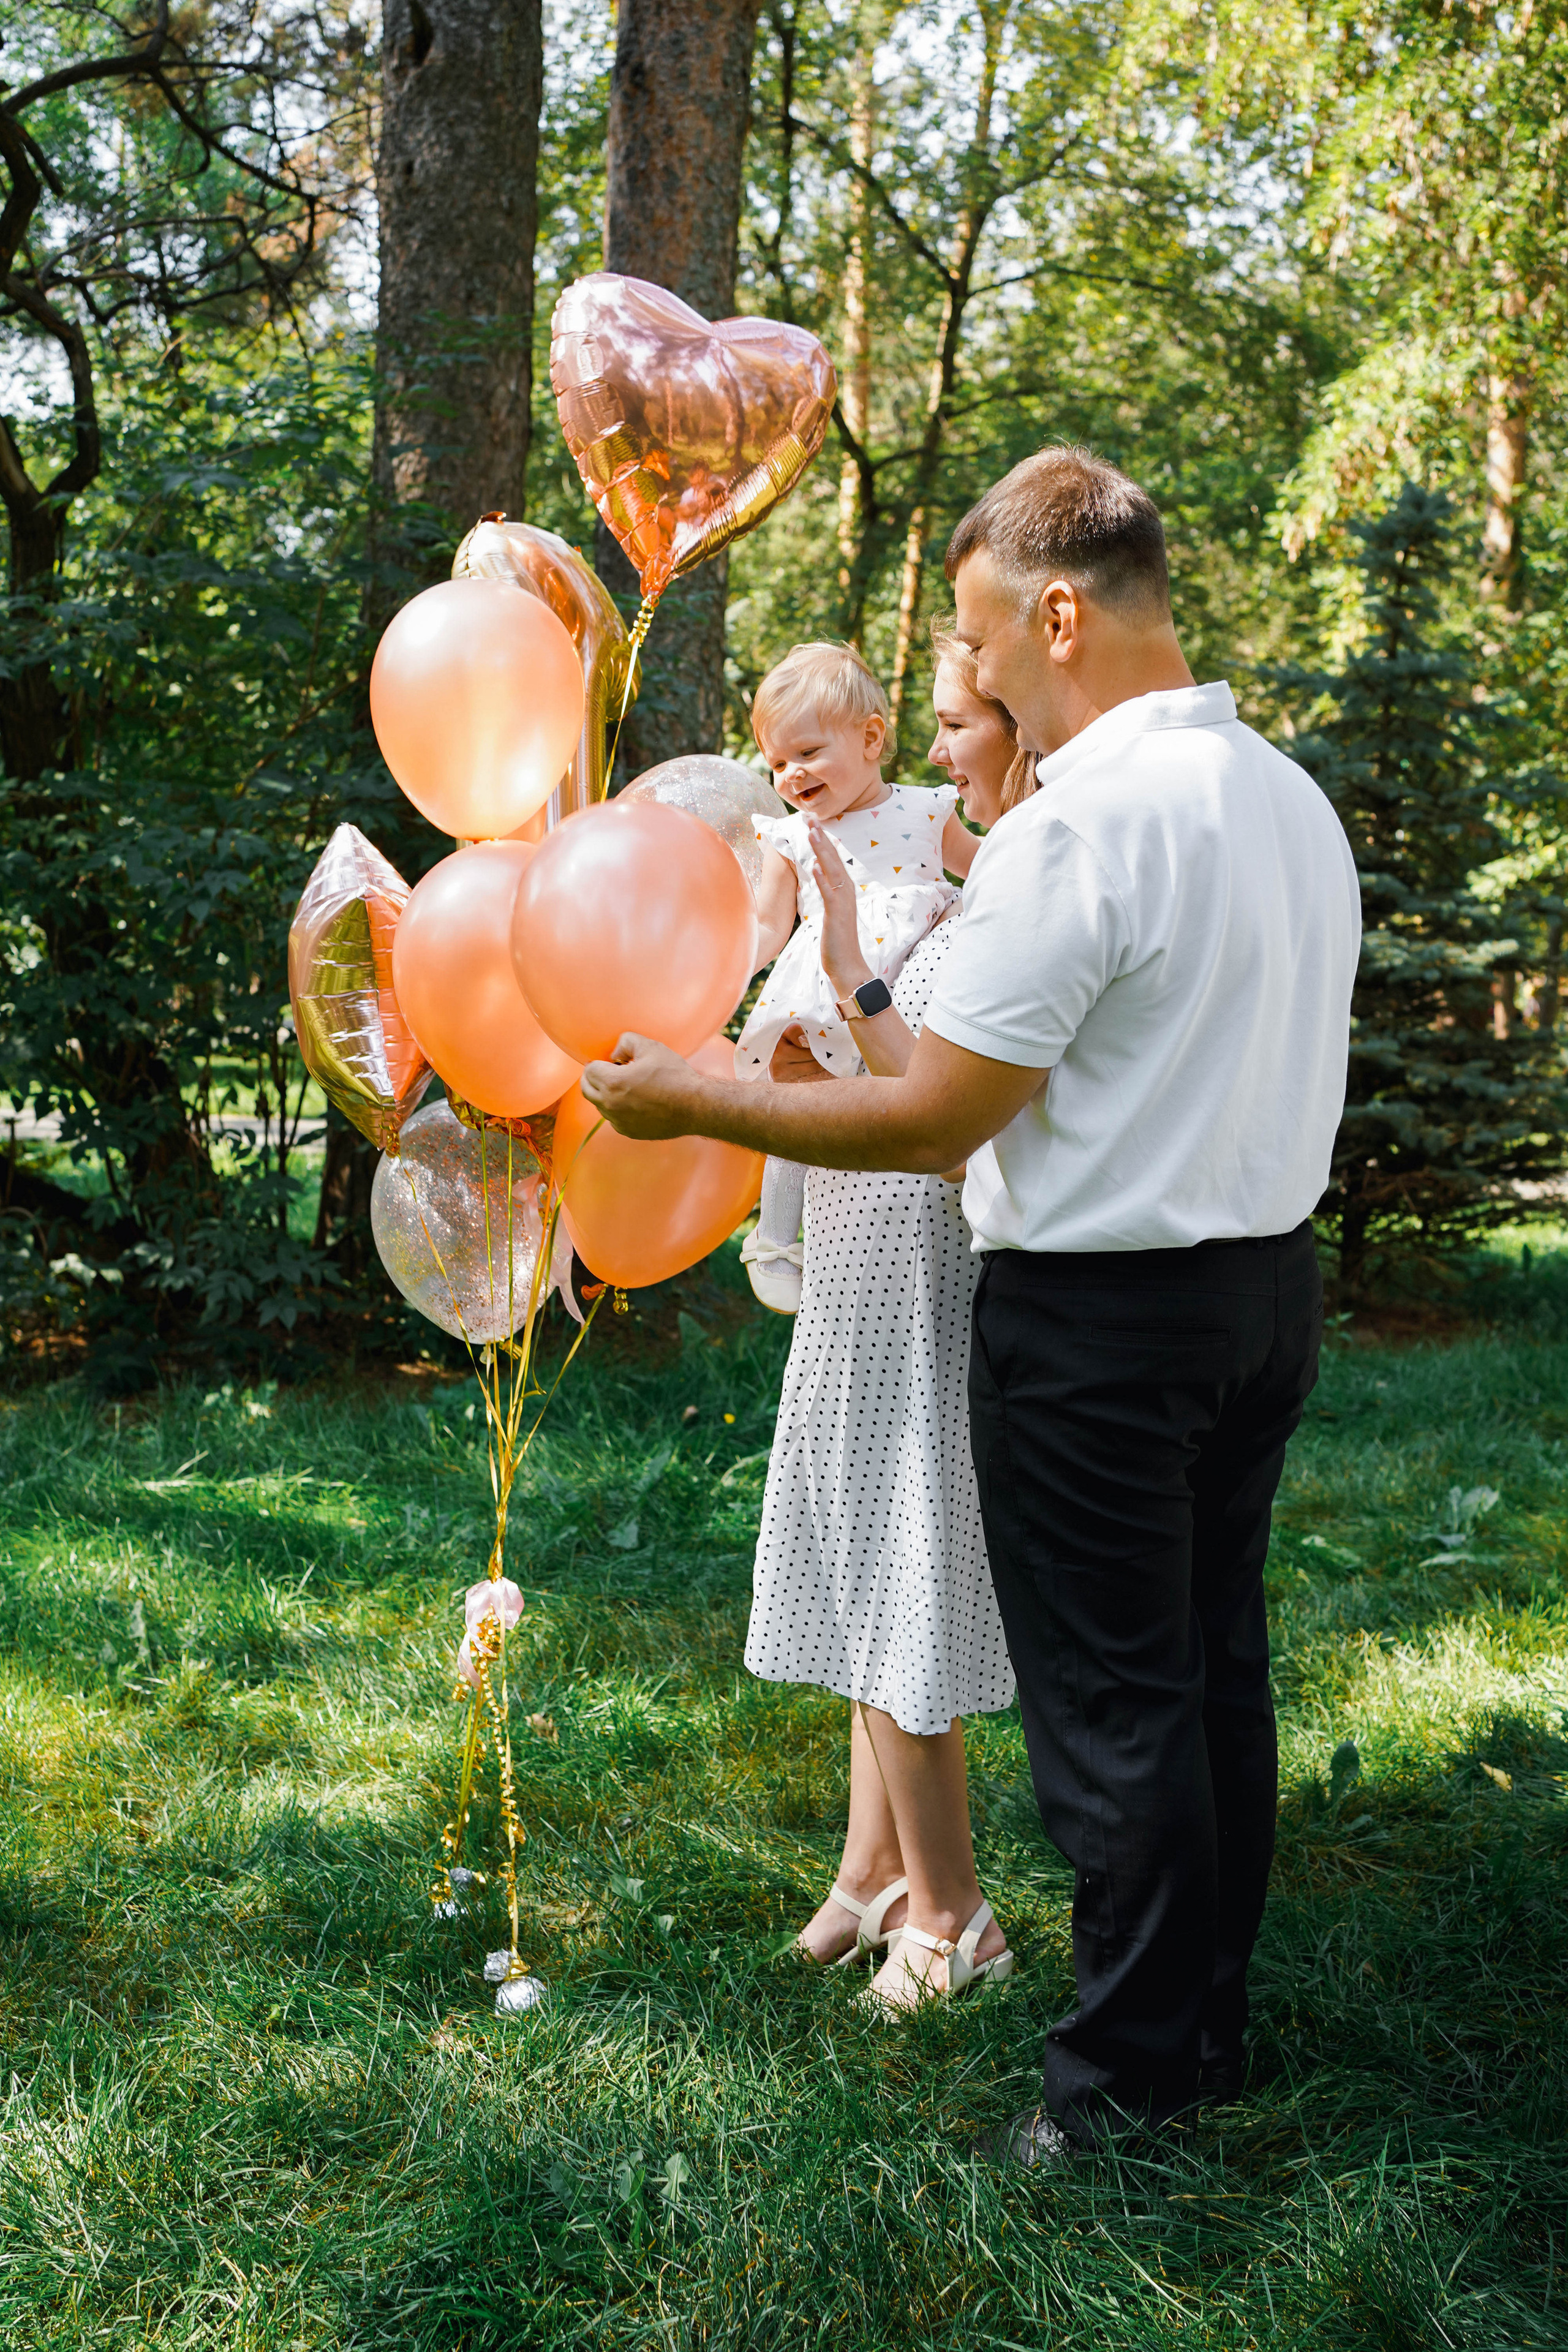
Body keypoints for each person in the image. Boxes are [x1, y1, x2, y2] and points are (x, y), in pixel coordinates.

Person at [581, 445, 1362, 2158]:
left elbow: (934, 1106)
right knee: (1218, 1670)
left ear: (1058, 611)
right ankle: (1207, 2014)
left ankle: (1126, 2088)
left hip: (1098, 1328)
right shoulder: (1289, 799)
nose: (978, 673)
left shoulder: (1082, 827)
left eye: (982, 635)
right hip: (1264, 1302)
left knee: (1116, 1713)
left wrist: (696, 1099)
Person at [743, 636, 1032, 2010]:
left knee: (899, 1540)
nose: (932, 756)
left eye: (951, 726)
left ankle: (952, 1913)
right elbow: (770, 991)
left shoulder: (982, 877)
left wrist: (852, 971)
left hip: (916, 1248)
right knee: (858, 1534)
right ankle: (872, 1879)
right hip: (848, 1237)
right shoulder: (806, 858)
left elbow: (922, 1092)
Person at [737, 641, 977, 1315]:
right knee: (802, 1101)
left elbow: (987, 868)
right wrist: (722, 968)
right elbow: (766, 927)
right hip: (825, 989)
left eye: (807, 753)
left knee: (914, 1099)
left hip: (917, 995)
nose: (790, 775)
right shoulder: (790, 838)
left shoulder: (927, 812)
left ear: (870, 738)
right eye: (777, 761)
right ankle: (778, 1234)